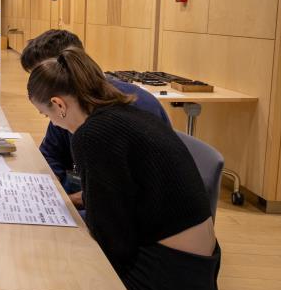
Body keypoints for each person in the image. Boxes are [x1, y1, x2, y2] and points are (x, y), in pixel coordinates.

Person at [27, 47, 219, 290]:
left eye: (46, 114)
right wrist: (75, 202)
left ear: (59, 105)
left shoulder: (92, 135)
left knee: (52, 283)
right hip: (193, 285)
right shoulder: (126, 114)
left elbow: (114, 242)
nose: (52, 122)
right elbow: (125, 196)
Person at [20, 29, 170, 208]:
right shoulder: (67, 107)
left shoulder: (131, 110)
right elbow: (50, 154)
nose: (39, 86)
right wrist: (53, 190)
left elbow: (122, 194)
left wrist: (67, 201)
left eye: (43, 75)